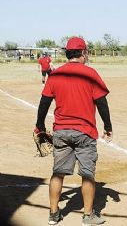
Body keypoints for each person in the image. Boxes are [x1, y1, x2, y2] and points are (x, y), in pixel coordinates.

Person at [34, 37, 112, 225]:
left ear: (68, 53)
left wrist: (40, 126)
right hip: (85, 132)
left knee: (57, 173)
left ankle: (53, 215)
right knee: (87, 175)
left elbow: (44, 102)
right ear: (83, 53)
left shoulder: (55, 75)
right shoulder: (90, 73)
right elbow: (101, 102)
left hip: (61, 131)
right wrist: (108, 127)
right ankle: (88, 216)